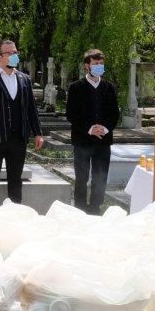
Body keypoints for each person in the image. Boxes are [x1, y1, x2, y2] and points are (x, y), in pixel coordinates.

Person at [0, 39, 44, 210]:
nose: (14, 56)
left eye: (16, 53)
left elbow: (31, 109)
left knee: (15, 178)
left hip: (18, 137)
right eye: (10, 53)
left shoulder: (25, 80)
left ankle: (15, 213)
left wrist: (38, 132)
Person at [64, 49, 120, 215]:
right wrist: (90, 128)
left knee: (100, 177)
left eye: (101, 64)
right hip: (82, 141)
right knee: (81, 177)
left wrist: (105, 128)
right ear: (87, 66)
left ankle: (95, 207)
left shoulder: (109, 87)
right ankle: (80, 208)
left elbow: (114, 113)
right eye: (95, 64)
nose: (99, 66)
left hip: (103, 141)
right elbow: (71, 114)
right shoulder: (76, 87)